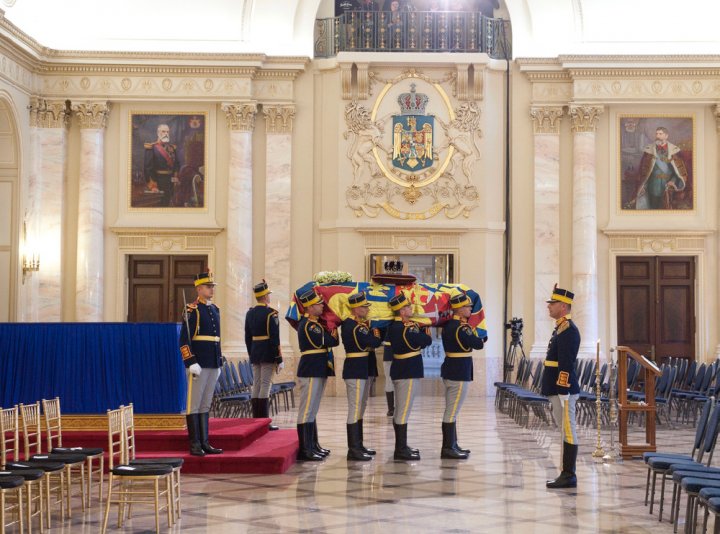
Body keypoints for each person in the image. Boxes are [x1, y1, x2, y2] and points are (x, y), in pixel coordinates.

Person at [179, 270, 224, 457]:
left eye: (212, 286)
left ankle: (205, 442)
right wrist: (190, 361)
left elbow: (216, 339)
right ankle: (195, 443)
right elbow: (184, 340)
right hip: (199, 363)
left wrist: (219, 362)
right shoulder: (192, 310)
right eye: (208, 286)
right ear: (198, 289)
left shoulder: (214, 310)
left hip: (212, 362)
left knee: (206, 404)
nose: (211, 289)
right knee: (194, 405)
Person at [541, 284, 581, 489]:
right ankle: (565, 472)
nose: (549, 306)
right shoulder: (560, 328)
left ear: (563, 306)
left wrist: (563, 390)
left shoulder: (569, 331)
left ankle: (569, 474)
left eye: (553, 303)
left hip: (563, 389)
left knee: (568, 430)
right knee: (564, 430)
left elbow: (566, 363)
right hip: (557, 388)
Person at [439, 292, 485, 459]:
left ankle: (453, 444)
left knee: (452, 410)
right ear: (458, 309)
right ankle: (448, 448)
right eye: (467, 306)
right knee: (451, 411)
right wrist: (479, 335)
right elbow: (478, 344)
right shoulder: (462, 328)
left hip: (452, 369)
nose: (470, 308)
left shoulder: (450, 325)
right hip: (458, 372)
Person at [295, 289, 340, 462]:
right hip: (311, 369)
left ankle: (313, 445)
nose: (322, 306)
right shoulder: (308, 325)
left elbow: (333, 341)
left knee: (312, 410)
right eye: (319, 304)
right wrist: (331, 329)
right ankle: (305, 449)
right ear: (309, 307)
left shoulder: (316, 324)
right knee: (306, 410)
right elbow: (330, 341)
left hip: (318, 368)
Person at [388, 292, 432, 461]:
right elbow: (425, 341)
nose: (410, 308)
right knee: (403, 411)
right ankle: (400, 449)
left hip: (402, 370)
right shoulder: (404, 328)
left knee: (400, 410)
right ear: (401, 311)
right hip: (407, 372)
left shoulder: (397, 326)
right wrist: (425, 333)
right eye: (406, 307)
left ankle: (402, 446)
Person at [341, 292, 383, 461]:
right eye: (364, 307)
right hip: (355, 369)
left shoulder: (359, 325)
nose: (367, 310)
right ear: (356, 308)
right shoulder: (351, 325)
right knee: (355, 408)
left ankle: (359, 444)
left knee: (361, 407)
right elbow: (373, 343)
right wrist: (375, 335)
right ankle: (353, 449)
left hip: (362, 368)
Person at [245, 280, 284, 431]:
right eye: (268, 294)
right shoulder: (271, 314)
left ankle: (255, 421)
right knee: (265, 385)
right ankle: (264, 422)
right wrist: (278, 358)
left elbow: (247, 337)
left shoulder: (250, 313)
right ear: (265, 296)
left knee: (257, 384)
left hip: (255, 351)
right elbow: (275, 338)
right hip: (268, 352)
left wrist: (251, 353)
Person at [629, 126, 689, 210]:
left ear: (666, 136)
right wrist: (643, 185)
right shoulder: (649, 151)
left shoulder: (675, 151)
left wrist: (672, 181)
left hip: (668, 188)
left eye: (660, 134)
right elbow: (643, 171)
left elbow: (679, 172)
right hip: (652, 187)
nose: (657, 136)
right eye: (656, 134)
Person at [144, 123, 179, 207]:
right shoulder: (152, 148)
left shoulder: (172, 148)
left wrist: (175, 180)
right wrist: (153, 186)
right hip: (158, 182)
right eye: (163, 131)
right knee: (160, 205)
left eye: (167, 132)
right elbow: (147, 168)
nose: (166, 134)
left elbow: (176, 166)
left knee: (169, 203)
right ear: (158, 133)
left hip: (171, 182)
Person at [383, 332, 395, 417]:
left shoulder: (385, 320)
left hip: (388, 353)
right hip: (400, 354)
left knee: (389, 381)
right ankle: (392, 408)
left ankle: (391, 409)